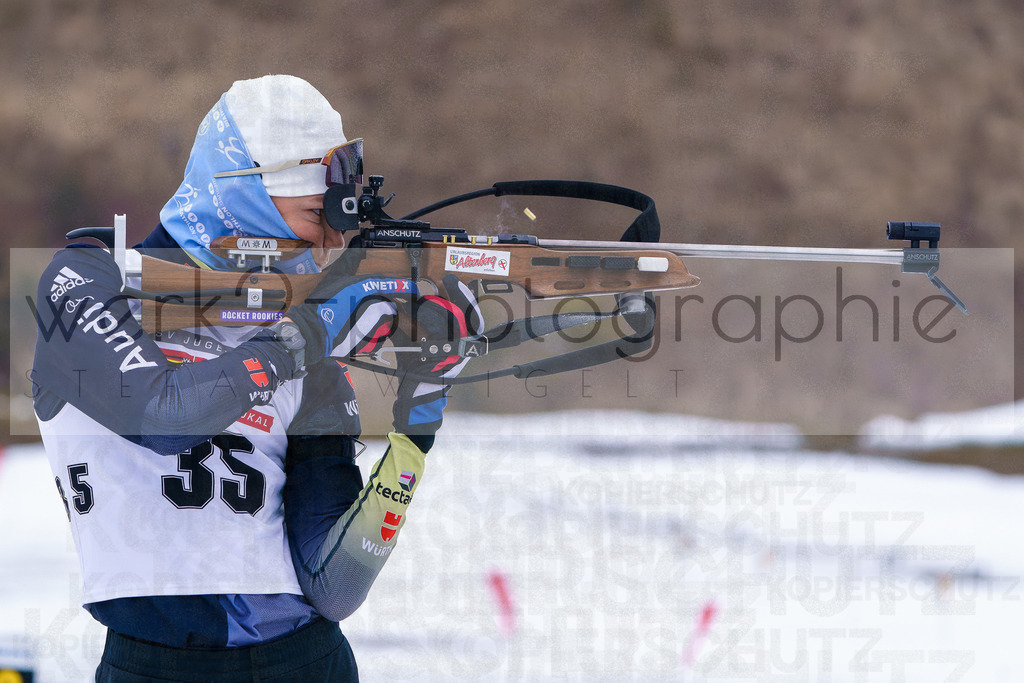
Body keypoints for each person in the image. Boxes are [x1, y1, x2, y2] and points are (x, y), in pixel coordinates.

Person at [31, 74, 481, 681]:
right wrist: (307, 337)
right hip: (151, 666)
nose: (330, 244)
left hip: (303, 661)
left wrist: (417, 422)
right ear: (243, 196)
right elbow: (162, 414)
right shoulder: (85, 281)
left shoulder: (298, 320)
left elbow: (333, 587)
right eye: (313, 216)